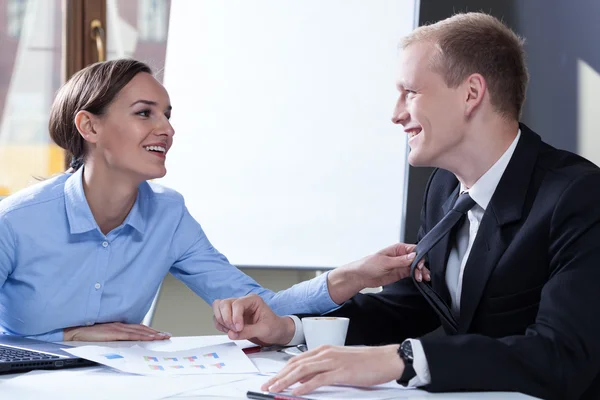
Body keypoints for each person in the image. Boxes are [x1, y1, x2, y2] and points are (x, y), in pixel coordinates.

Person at [210, 12, 600, 400]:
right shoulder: (444, 187)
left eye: (410, 92)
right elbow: (410, 306)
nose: (396, 114)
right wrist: (289, 328)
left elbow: (561, 354)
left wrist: (404, 360)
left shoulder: (578, 195)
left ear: (471, 93)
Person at [0, 59, 428, 343]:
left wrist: (356, 274)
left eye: (168, 114)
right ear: (89, 127)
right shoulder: (17, 220)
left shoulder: (168, 214)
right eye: (145, 113)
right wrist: (66, 337)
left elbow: (263, 307)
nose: (166, 129)